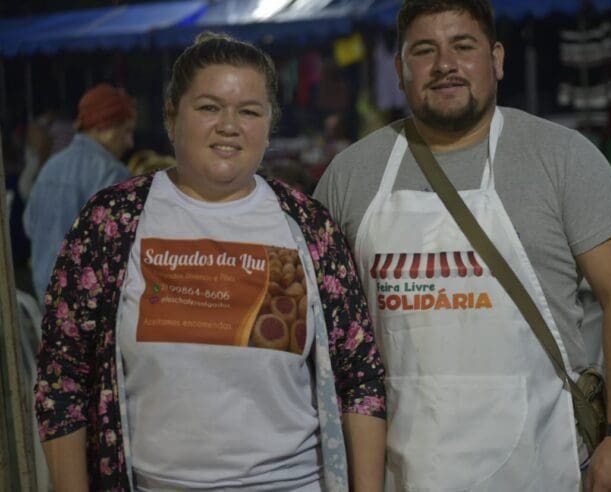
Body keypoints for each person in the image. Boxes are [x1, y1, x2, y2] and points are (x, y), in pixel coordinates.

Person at [313, 1, 611, 490]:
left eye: (463, 46)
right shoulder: (349, 176)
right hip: (395, 472)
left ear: (496, 59)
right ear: (400, 68)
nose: (444, 65)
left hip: (545, 464)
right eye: (425, 50)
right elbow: (326, 333)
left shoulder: (563, 158)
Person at [35, 32, 386, 491]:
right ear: (170, 116)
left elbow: (359, 378)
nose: (228, 125)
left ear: (268, 125)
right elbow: (62, 378)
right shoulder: (112, 222)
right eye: (208, 107)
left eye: (248, 111)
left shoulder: (307, 227)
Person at [23, 84, 135, 303]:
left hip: (46, 307)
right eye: (127, 131)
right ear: (107, 127)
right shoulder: (112, 171)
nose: (130, 142)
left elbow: (28, 225)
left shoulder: (51, 167)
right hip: (89, 316)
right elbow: (119, 250)